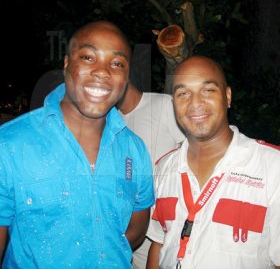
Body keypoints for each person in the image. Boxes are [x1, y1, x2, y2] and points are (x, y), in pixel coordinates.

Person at [0, 21, 155, 268]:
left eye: (117, 63)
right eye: (88, 57)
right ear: (66, 64)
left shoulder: (135, 150)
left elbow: (135, 229)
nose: (103, 71)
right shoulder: (10, 144)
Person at [146, 55, 280, 269]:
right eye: (183, 93)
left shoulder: (273, 168)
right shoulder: (163, 168)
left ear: (227, 97)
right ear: (173, 104)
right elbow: (159, 243)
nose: (195, 103)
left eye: (207, 90)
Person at [118, 80, 185, 268]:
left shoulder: (164, 105)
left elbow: (191, 151)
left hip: (166, 227)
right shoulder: (109, 121)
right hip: (131, 228)